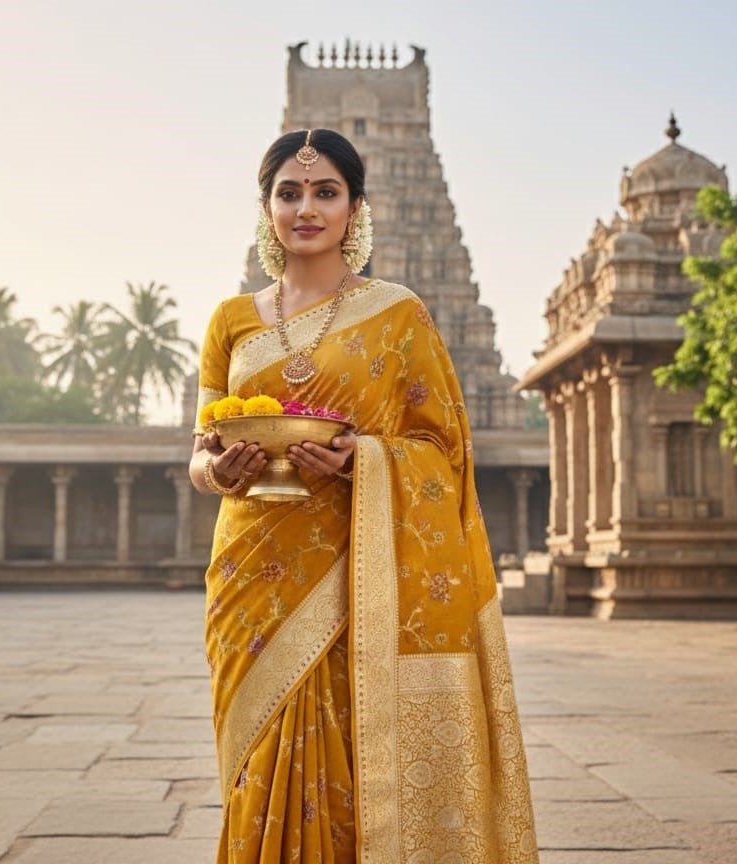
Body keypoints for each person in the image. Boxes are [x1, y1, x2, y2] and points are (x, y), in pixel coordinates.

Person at [189, 128, 539, 863]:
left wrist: (365, 460)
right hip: (251, 573)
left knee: (352, 762)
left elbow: (444, 449)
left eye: (326, 192)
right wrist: (218, 473)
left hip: (357, 574)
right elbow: (201, 451)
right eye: (289, 193)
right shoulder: (231, 320)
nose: (306, 209)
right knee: (258, 766)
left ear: (355, 208)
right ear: (266, 208)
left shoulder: (398, 313)